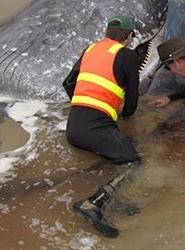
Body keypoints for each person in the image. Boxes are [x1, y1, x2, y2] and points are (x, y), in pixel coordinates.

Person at [63, 15, 141, 238]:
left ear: (106, 33)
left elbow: (68, 83)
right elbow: (132, 101)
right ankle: (93, 203)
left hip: (74, 125)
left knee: (114, 157)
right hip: (95, 125)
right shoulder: (127, 55)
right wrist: (124, 119)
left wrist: (83, 102)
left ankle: (113, 202)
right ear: (128, 36)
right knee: (133, 161)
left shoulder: (90, 49)